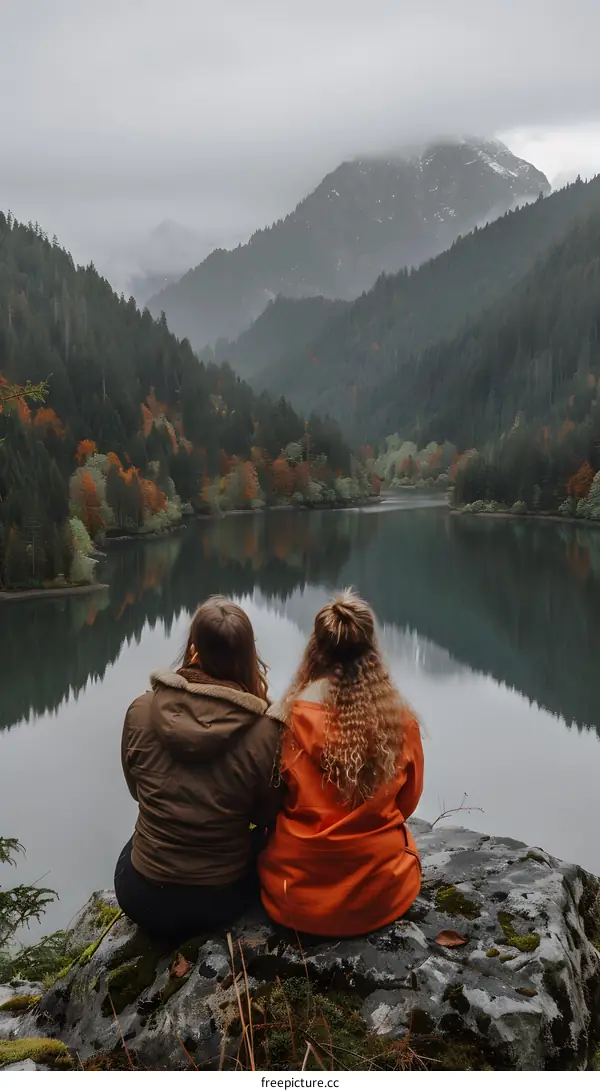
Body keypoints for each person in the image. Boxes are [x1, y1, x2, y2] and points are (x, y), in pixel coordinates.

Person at [115, 596, 283, 943]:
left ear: (194, 652)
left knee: (134, 845)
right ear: (248, 659)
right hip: (219, 901)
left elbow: (137, 790)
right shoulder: (266, 732)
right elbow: (267, 813)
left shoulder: (141, 710)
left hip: (141, 896)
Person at [259, 590, 424, 937]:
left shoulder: (284, 719)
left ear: (315, 650)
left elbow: (269, 802)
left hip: (295, 896)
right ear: (372, 653)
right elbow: (407, 802)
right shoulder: (400, 722)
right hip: (379, 896)